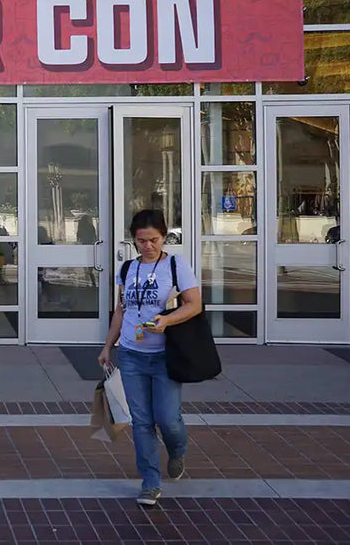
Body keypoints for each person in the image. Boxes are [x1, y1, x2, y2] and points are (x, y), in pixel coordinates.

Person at [98, 209, 202, 507]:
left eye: (153, 239)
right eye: (141, 241)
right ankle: (150, 482)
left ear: (164, 236)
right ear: (134, 240)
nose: (147, 246)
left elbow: (194, 304)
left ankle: (178, 450)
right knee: (141, 421)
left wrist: (167, 321)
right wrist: (108, 346)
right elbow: (121, 310)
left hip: (164, 355)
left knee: (168, 419)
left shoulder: (174, 265)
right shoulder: (128, 268)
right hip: (131, 354)